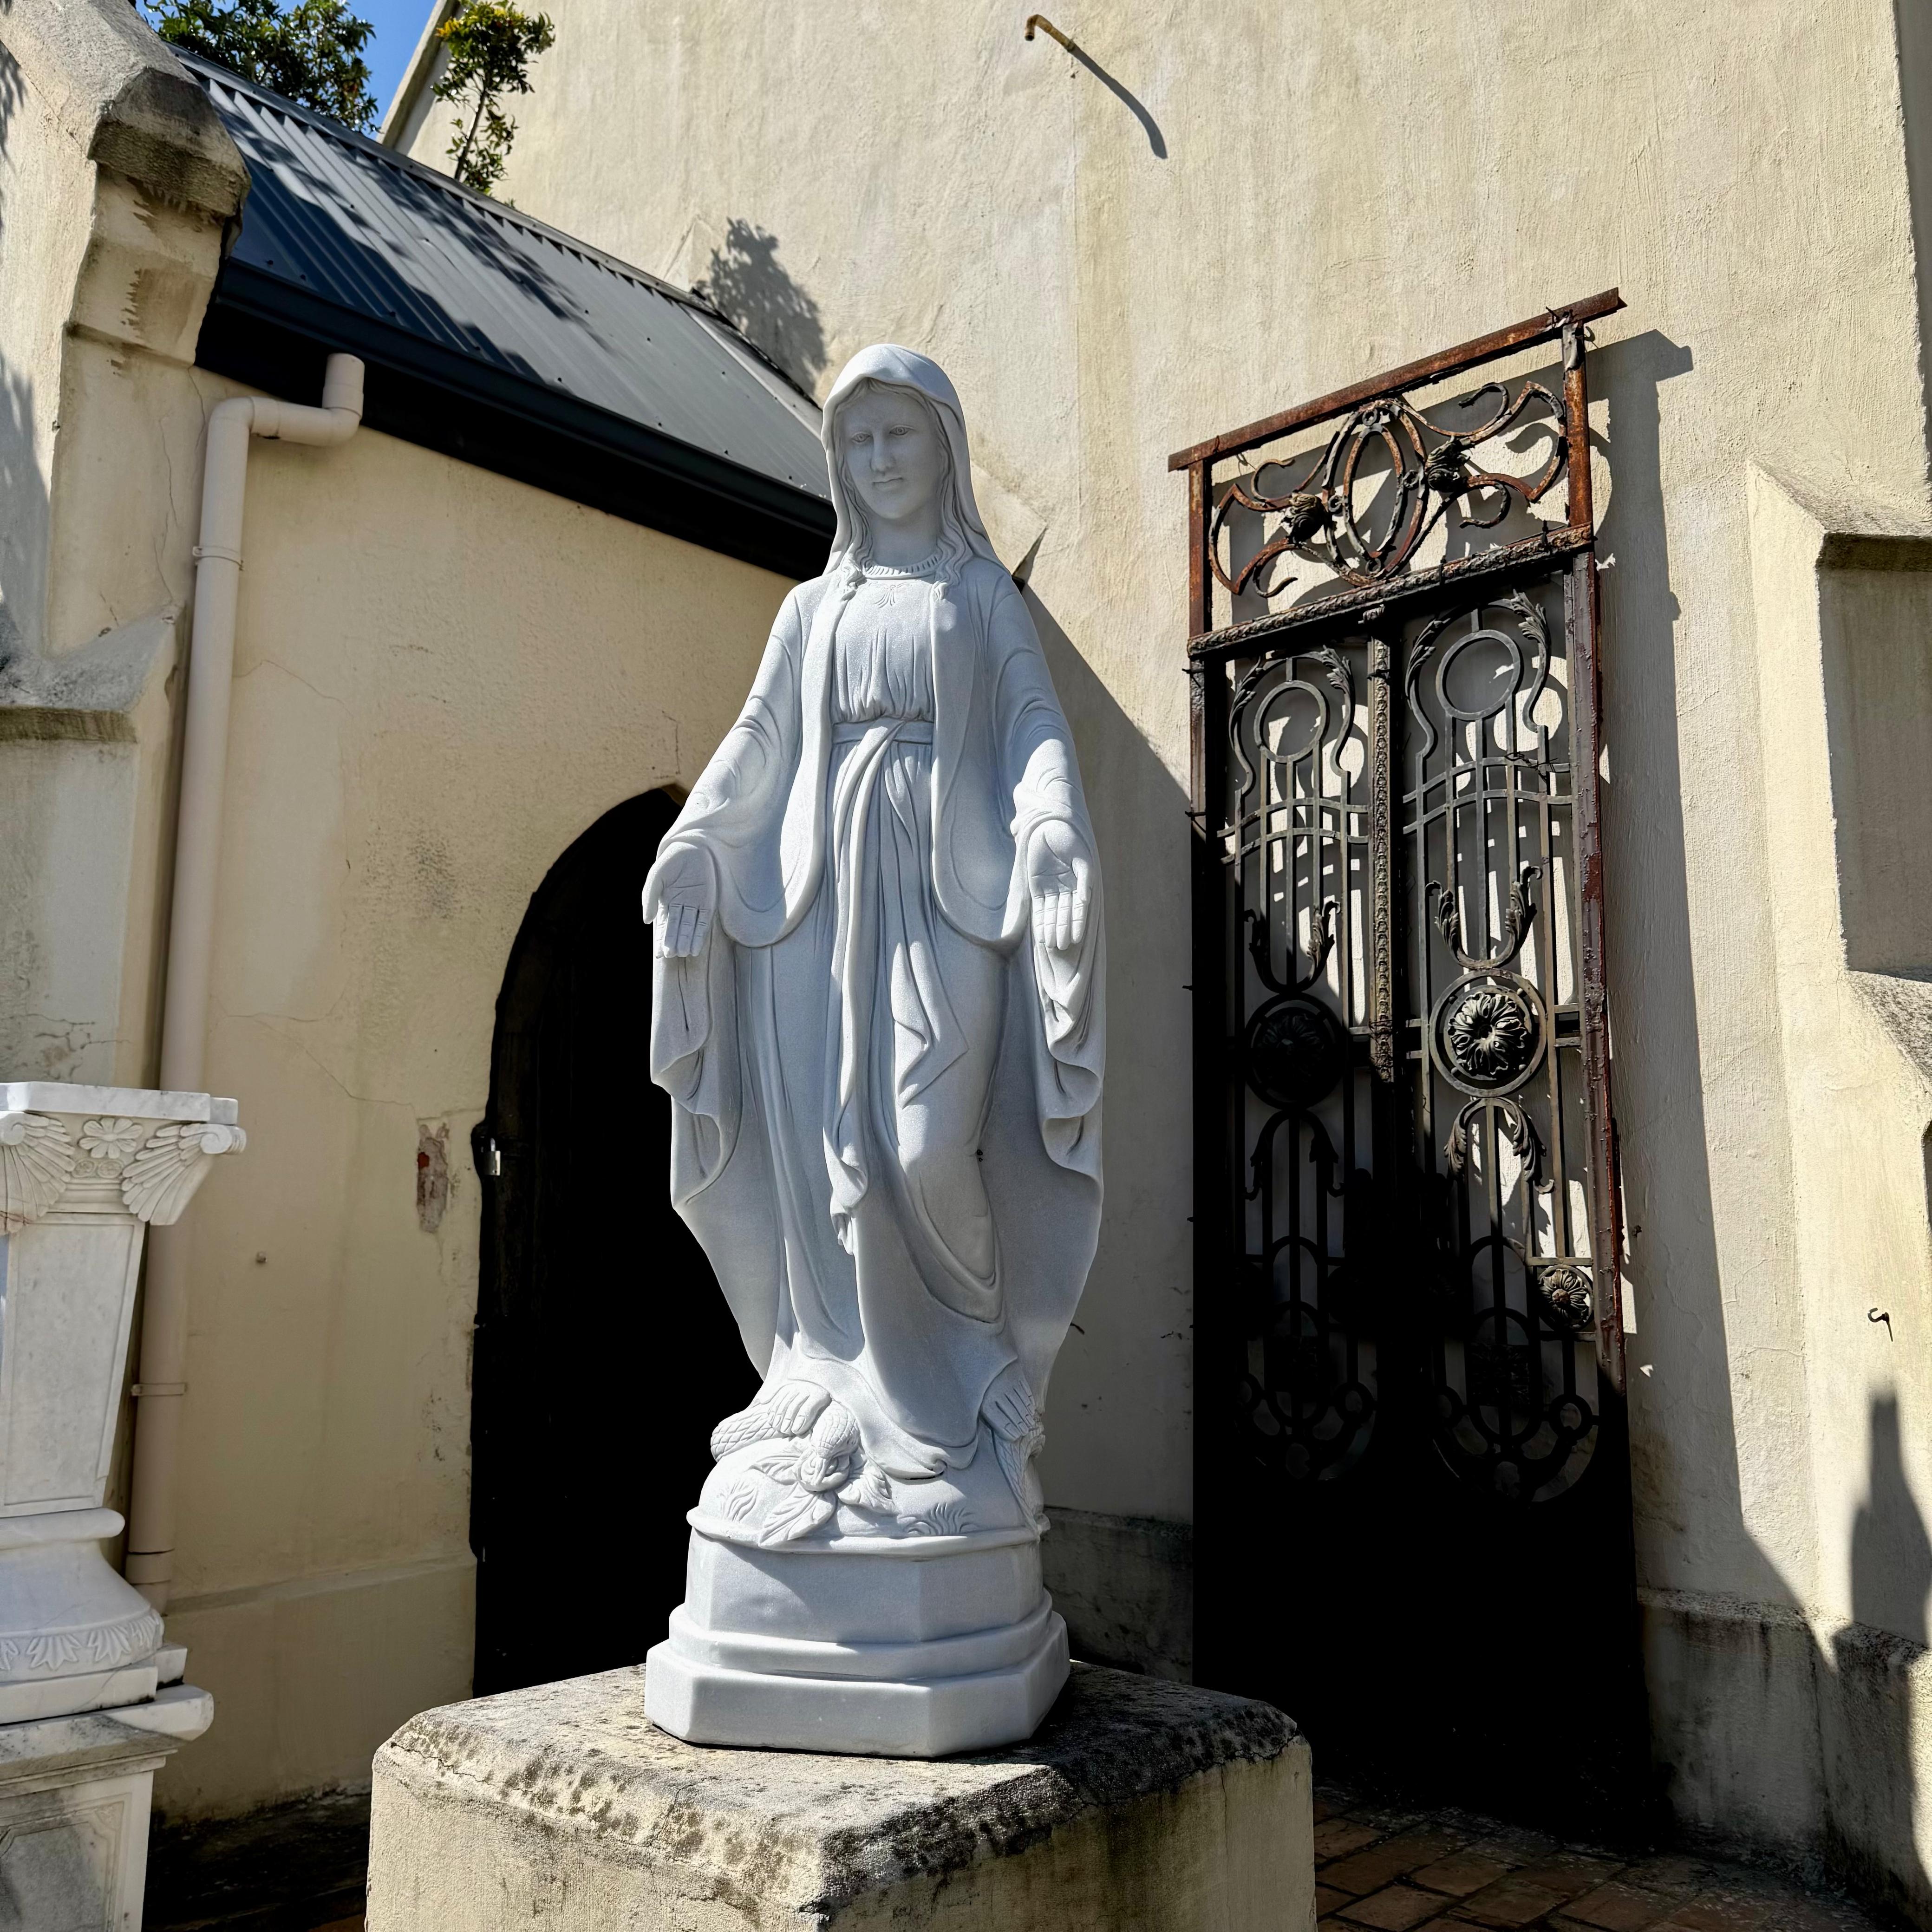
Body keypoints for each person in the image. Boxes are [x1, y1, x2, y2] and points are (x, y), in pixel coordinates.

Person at [643, 345, 1103, 1545]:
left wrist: (1051, 825)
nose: (880, 458)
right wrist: (696, 840)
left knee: (922, 1138)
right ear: (838, 464)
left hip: (948, 897)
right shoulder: (812, 609)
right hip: (818, 903)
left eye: (900, 435)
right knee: (824, 1141)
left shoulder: (982, 600)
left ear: (943, 450)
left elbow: (1036, 731)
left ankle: (975, 1385)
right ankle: (825, 1376)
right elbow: (757, 741)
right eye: (859, 440)